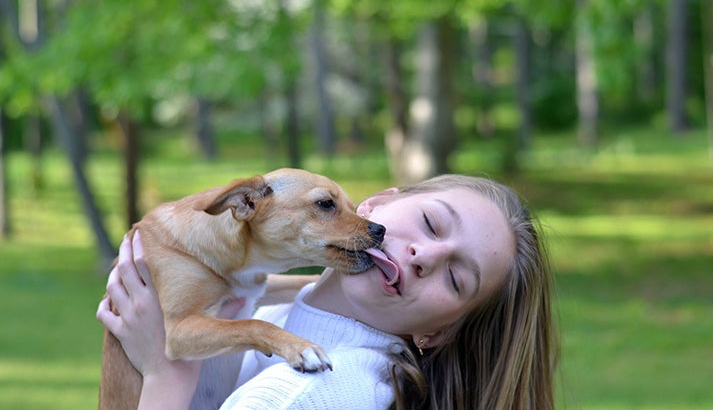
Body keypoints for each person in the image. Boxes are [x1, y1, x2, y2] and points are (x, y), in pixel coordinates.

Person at [97, 174, 558, 410]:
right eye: (431, 223)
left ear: (438, 332)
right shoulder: (295, 320)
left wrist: (164, 377)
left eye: (456, 279)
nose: (424, 255)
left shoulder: (304, 396)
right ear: (375, 204)